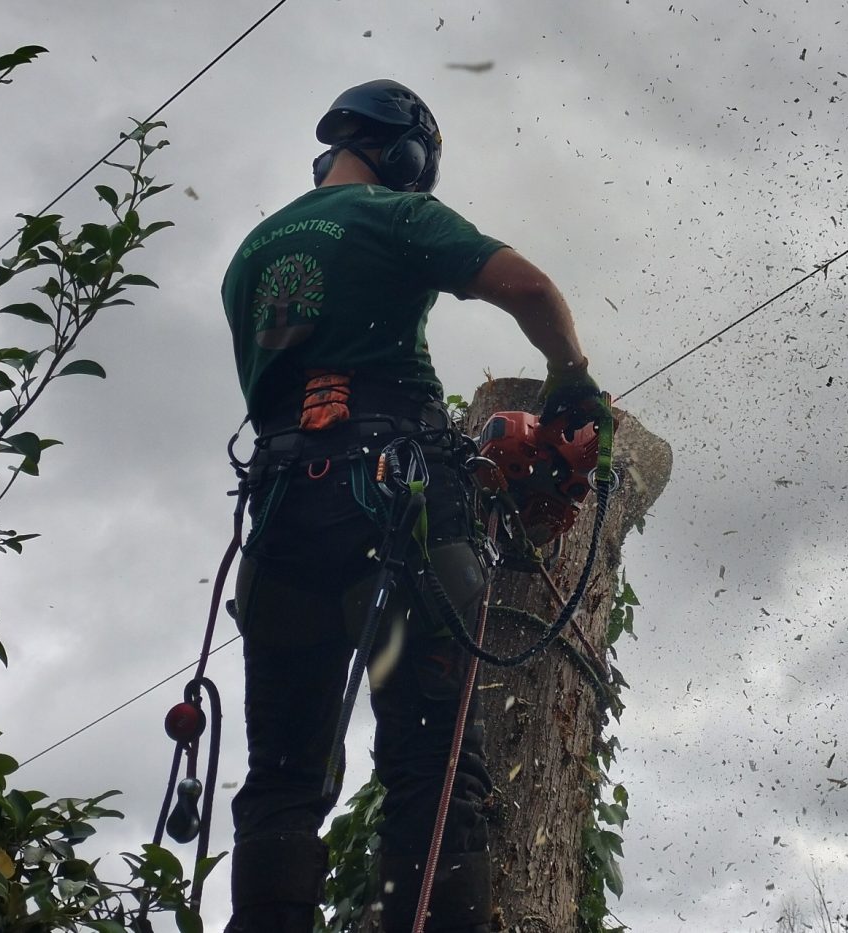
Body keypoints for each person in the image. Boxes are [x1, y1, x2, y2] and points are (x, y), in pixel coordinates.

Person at [218, 79, 607, 933]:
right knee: (433, 773)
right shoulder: (396, 218)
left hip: (281, 526)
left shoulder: (250, 252)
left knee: (282, 778)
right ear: (408, 153)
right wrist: (571, 375)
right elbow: (530, 289)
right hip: (395, 519)